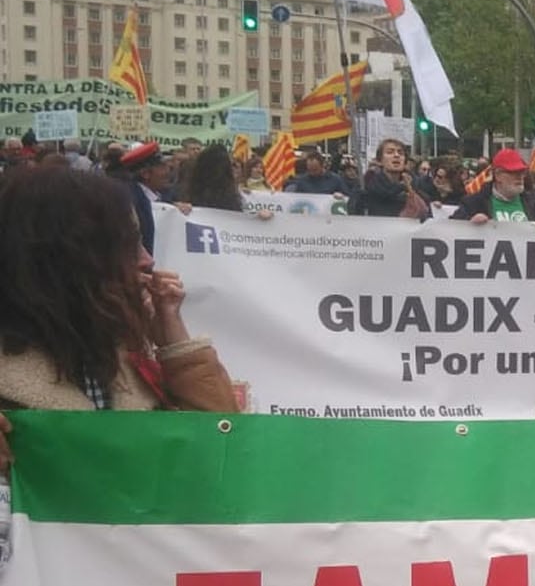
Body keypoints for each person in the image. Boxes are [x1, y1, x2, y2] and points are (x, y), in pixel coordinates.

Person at [0, 167, 239, 472]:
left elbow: (223, 452)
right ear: (64, 260)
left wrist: (174, 339)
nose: (147, 260)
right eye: (126, 245)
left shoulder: (128, 352)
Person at [452, 149, 535, 223]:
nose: (520, 177)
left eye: (522, 172)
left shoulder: (533, 202)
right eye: (513, 173)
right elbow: (451, 230)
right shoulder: (473, 203)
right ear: (497, 175)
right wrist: (470, 225)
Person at [362, 138, 431, 219]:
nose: (396, 155)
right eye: (390, 152)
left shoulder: (416, 190)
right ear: (379, 161)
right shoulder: (367, 188)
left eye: (400, 153)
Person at [284, 149, 350, 197]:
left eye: (315, 169)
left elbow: (348, 198)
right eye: (310, 170)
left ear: (322, 166)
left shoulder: (336, 180)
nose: (312, 172)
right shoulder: (302, 181)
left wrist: (342, 196)